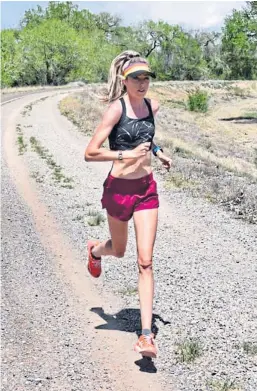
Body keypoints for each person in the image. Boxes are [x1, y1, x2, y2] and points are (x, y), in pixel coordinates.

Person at [84, 50, 172, 358]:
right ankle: (95, 250)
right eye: (137, 78)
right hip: (119, 189)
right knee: (118, 250)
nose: (143, 83)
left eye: (147, 78)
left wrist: (157, 152)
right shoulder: (115, 110)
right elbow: (90, 152)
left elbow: (148, 135)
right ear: (125, 80)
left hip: (146, 190)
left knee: (145, 261)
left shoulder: (152, 106)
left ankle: (146, 336)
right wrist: (127, 155)